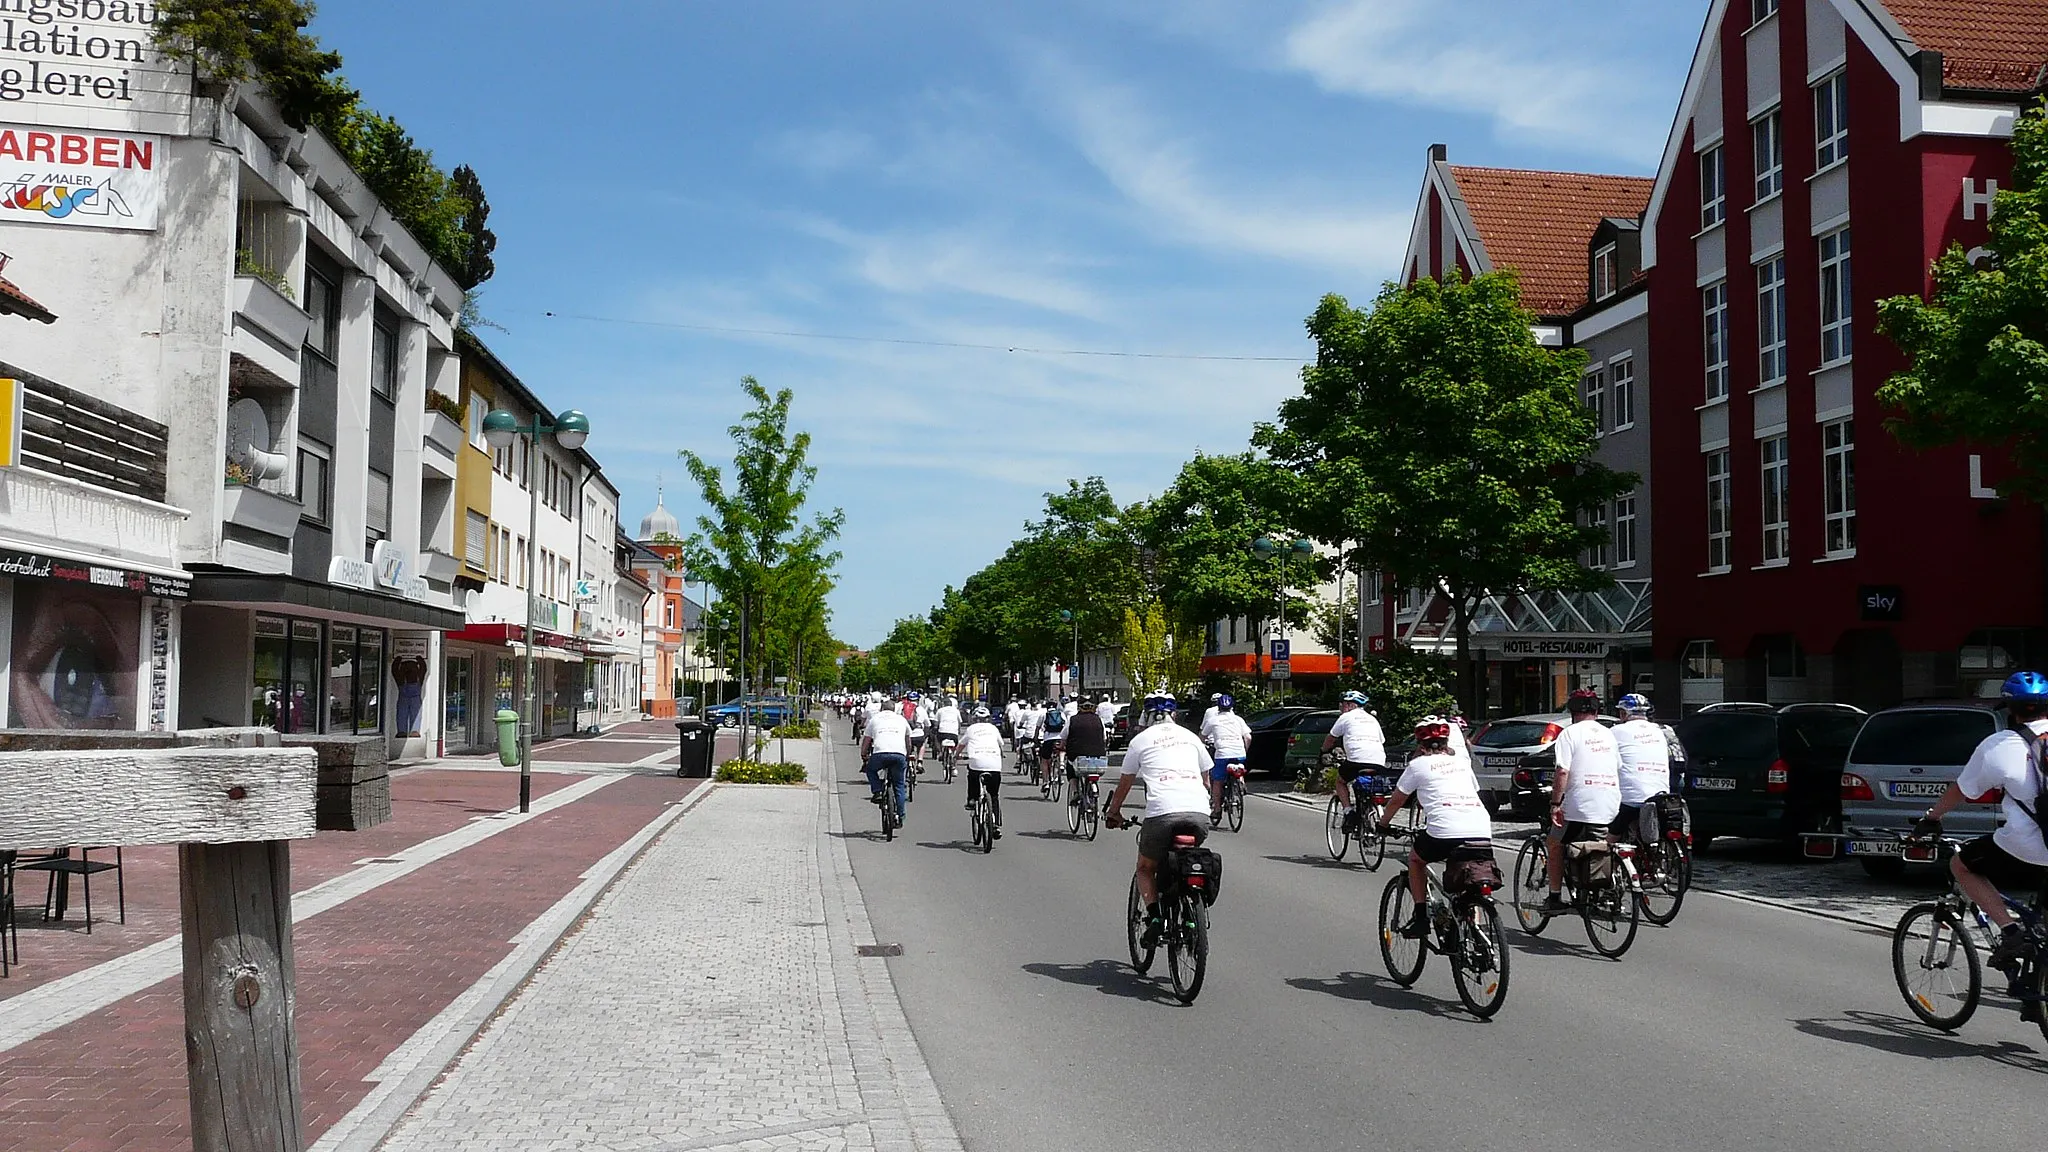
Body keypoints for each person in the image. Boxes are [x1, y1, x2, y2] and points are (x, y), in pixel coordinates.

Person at [1916, 671, 2048, 979]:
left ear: (2009, 708)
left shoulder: (2000, 745)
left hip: (2026, 847)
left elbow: (1961, 790)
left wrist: (1931, 819)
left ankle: (2010, 931)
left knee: (1961, 865)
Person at [1104, 694, 1215, 947]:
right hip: (1198, 813)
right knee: (1187, 860)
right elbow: (1206, 781)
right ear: (1174, 715)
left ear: (1146, 716)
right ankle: (1189, 913)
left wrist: (1114, 812)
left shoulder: (1139, 741)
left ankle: (1155, 919)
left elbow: (1125, 783)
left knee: (1145, 867)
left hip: (1162, 813)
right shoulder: (1191, 738)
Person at [1380, 719, 1495, 938]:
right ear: (1446, 742)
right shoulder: (1462, 764)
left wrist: (1382, 824)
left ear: (1421, 745)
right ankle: (1476, 932)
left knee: (1415, 859)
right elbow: (1473, 792)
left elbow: (1396, 801)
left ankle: (1421, 917)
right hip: (1480, 828)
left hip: (1445, 832)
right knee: (1469, 878)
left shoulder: (1417, 765)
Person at [1545, 688, 1621, 910]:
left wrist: (1555, 803)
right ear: (1597, 711)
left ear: (1572, 712)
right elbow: (1617, 767)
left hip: (1580, 805)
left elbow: (1562, 771)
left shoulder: (1569, 733)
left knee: (1555, 844)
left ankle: (1555, 897)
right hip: (1610, 803)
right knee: (1602, 845)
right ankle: (1611, 887)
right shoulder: (1609, 734)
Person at [1322, 690, 1387, 833]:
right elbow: (1382, 740)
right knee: (1368, 787)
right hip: (1379, 760)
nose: (1341, 707)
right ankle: (1370, 809)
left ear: (1350, 705)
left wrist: (1323, 751)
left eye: (1343, 704)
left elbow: (1331, 738)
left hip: (1357, 761)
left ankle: (1349, 812)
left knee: (1340, 781)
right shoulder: (1372, 719)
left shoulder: (1346, 717)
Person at [1610, 693, 1672, 841]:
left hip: (1630, 800)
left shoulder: (1616, 731)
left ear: (1623, 713)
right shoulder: (1661, 731)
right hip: (1661, 796)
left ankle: (1607, 857)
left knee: (1611, 835)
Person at [861, 697, 913, 828]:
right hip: (899, 755)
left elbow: (867, 740)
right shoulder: (902, 720)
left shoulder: (875, 720)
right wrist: (907, 753)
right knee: (899, 785)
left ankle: (878, 790)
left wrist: (863, 754)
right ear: (894, 709)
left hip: (880, 754)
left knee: (871, 770)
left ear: (881, 709)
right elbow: (908, 740)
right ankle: (900, 815)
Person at [1201, 693, 1253, 822]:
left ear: (1218, 707)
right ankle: (1240, 781)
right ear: (1232, 707)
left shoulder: (1213, 720)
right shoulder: (1238, 719)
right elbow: (1248, 737)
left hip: (1222, 754)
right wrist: (1244, 751)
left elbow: (1202, 736)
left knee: (1217, 781)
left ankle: (1217, 809)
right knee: (1238, 766)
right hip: (1239, 753)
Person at [959, 705, 1006, 838]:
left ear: (974, 719)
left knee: (972, 775)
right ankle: (996, 824)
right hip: (994, 765)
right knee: (994, 795)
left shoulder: (971, 729)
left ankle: (972, 799)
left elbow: (961, 745)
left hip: (977, 763)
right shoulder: (993, 729)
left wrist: (956, 756)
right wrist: (1000, 755)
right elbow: (1000, 746)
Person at [1061, 695, 1110, 796]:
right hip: (1098, 755)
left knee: (1071, 769)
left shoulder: (1072, 719)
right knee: (1092, 770)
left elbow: (1064, 737)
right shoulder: (1099, 720)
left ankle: (1074, 791)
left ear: (1079, 707)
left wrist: (1062, 746)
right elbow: (1104, 738)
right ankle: (1093, 790)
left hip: (1076, 755)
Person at [1039, 696, 1068, 780]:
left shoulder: (1043, 714)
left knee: (1045, 760)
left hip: (1048, 739)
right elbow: (1066, 726)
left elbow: (1038, 728)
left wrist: (1036, 737)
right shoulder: (1061, 713)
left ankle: (1045, 782)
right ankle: (1061, 762)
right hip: (1059, 737)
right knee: (1061, 749)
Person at [936, 695, 963, 765]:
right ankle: (953, 758)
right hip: (953, 732)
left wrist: (936, 728)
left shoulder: (940, 710)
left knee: (937, 739)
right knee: (955, 745)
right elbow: (960, 722)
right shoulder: (956, 711)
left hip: (942, 731)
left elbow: (937, 722)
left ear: (943, 704)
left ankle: (940, 752)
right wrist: (958, 730)